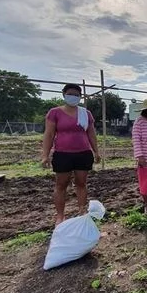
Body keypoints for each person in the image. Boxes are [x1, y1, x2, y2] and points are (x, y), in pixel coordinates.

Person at [42, 84, 100, 226]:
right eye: (70, 94)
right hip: (62, 154)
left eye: (76, 95)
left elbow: (91, 133)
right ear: (64, 94)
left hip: (83, 153)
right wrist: (45, 155)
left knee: (81, 183)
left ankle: (82, 211)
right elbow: (49, 134)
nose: (73, 97)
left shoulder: (86, 113)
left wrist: (96, 151)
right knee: (61, 184)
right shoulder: (54, 112)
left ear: (80, 97)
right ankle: (60, 216)